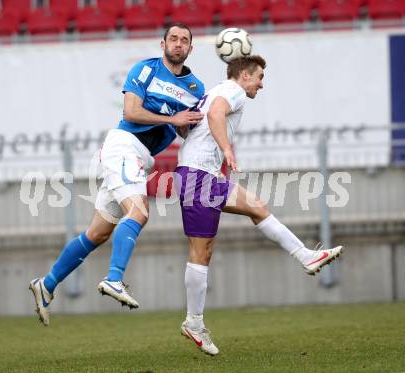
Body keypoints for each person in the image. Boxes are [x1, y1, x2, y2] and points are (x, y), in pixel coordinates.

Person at [29, 23, 205, 326]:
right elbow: (131, 112)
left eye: (184, 40)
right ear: (162, 43)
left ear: (191, 48)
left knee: (97, 233)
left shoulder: (195, 88)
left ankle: (46, 284)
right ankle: (114, 279)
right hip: (124, 145)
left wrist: (190, 124)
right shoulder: (146, 70)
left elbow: (186, 128)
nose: (178, 44)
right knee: (138, 212)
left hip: (140, 156)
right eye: (173, 38)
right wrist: (172, 117)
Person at [174, 55, 343, 356]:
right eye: (259, 77)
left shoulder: (216, 89)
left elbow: (189, 127)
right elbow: (214, 114)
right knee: (201, 251)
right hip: (197, 175)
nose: (261, 84)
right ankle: (194, 322)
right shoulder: (233, 91)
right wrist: (227, 149)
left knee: (256, 207)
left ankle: (306, 256)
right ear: (244, 75)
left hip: (202, 174)